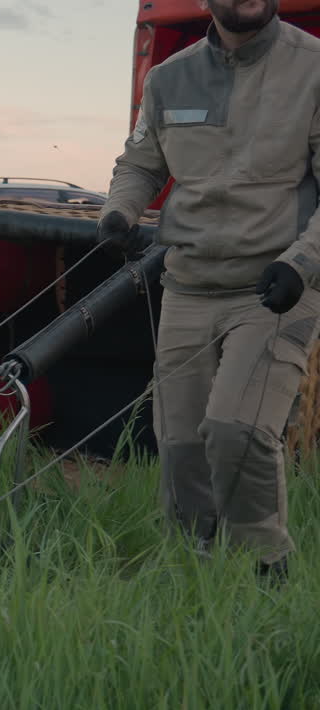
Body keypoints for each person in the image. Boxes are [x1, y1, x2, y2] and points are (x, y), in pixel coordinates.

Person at [97, 0, 320, 584]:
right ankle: (193, 577)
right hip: (190, 286)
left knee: (236, 430)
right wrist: (120, 213)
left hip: (278, 286)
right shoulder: (169, 78)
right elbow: (140, 163)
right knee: (180, 446)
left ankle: (267, 567)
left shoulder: (314, 66)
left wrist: (302, 263)